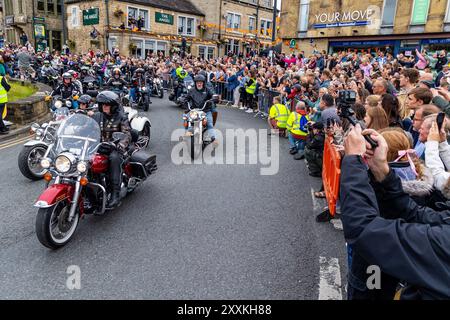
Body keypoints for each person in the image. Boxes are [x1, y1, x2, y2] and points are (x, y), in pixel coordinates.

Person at [341, 124, 450, 300]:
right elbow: (418, 215)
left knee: (370, 291)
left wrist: (353, 162)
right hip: (396, 263)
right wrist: (382, 173)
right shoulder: (418, 180)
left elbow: (364, 229)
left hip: (375, 264)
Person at [92, 91, 132, 208]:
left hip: (115, 148)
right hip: (99, 146)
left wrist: (121, 144)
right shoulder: (96, 116)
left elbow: (127, 133)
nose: (104, 106)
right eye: (102, 104)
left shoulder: (121, 117)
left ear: (113, 106)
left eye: (107, 104)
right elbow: (88, 128)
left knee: (114, 159)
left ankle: (115, 194)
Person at [184, 75, 217, 143]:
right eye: (197, 82)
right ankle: (187, 132)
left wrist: (214, 98)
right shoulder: (191, 90)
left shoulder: (207, 90)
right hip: (194, 111)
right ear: (195, 83)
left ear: (203, 83)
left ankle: (213, 138)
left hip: (206, 110)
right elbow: (186, 98)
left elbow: (213, 94)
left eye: (201, 82)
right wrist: (184, 100)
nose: (199, 84)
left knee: (209, 124)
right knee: (187, 120)